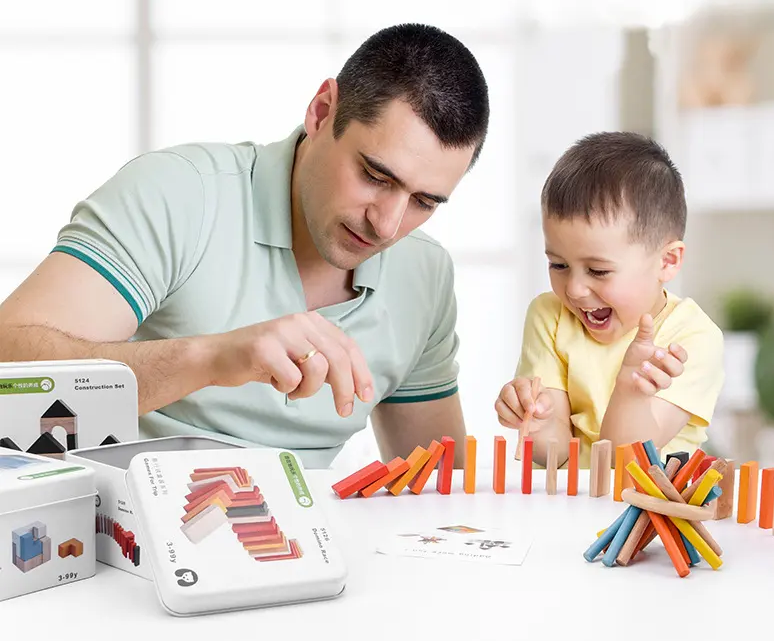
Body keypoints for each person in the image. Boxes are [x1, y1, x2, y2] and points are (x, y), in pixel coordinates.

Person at [0, 24, 490, 468]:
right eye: (374, 175)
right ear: (322, 113)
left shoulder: (424, 274)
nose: (387, 226)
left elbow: (435, 487)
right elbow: (8, 368)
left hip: (311, 548)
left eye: (424, 202)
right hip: (125, 542)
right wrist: (211, 360)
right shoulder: (179, 194)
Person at [494, 132, 724, 467]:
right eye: (558, 265)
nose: (574, 289)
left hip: (651, 508)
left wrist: (630, 390)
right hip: (572, 507)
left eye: (598, 271)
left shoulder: (691, 339)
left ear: (667, 262)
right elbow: (553, 457)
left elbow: (623, 462)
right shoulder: (550, 315)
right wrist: (538, 422)